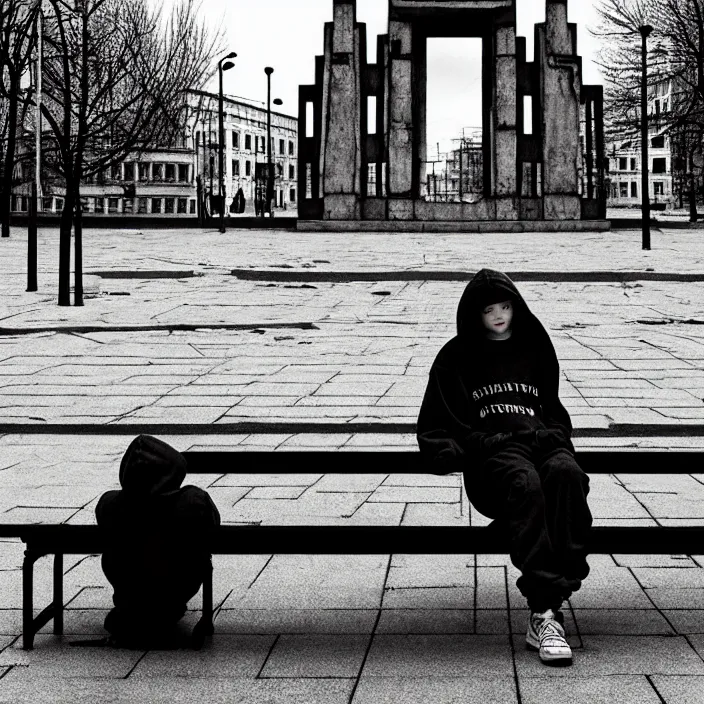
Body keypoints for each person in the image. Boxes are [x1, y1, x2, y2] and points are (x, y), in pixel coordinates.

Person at [417, 268, 592, 666]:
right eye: (489, 309)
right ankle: (545, 613)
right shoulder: (456, 356)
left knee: (568, 476)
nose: (498, 315)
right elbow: (436, 417)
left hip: (540, 440)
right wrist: (448, 449)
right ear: (474, 315)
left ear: (516, 308)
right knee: (525, 484)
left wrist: (556, 434)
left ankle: (553, 592)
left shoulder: (534, 346)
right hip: (495, 453)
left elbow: (552, 404)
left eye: (506, 306)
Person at [95, 434, 220, 649]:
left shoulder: (109, 504)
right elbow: (212, 528)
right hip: (177, 582)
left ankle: (133, 613)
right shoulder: (192, 502)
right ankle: (161, 611)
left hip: (129, 585)